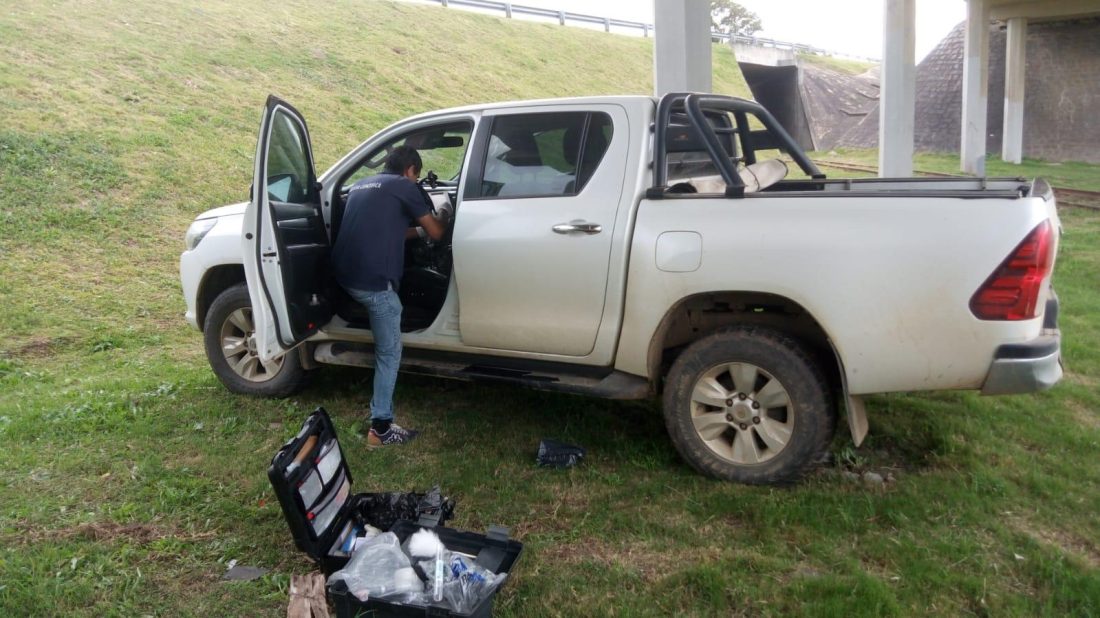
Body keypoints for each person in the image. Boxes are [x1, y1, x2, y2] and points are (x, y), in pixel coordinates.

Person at [331, 145, 446, 447]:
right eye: (416, 176)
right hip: (374, 285)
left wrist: (417, 232)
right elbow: (437, 234)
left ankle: (380, 425)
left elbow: (386, 228)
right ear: (410, 171)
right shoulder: (404, 187)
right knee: (389, 352)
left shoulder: (361, 185)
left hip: (345, 276)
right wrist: (443, 218)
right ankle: (380, 428)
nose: (415, 179)